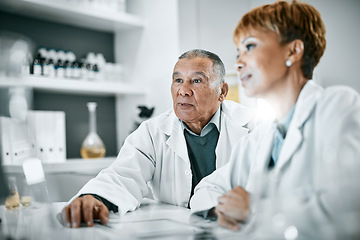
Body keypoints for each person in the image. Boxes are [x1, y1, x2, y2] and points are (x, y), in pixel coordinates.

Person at [190, 1, 360, 238]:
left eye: (250, 46)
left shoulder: (337, 106)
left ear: (292, 51)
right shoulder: (263, 135)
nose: (238, 63)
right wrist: (225, 209)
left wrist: (256, 209)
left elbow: (348, 213)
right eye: (238, 53)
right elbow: (206, 189)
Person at [62, 49, 254, 228]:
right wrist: (95, 197)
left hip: (235, 229)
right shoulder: (152, 132)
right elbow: (123, 175)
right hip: (176, 230)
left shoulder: (252, 127)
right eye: (178, 80)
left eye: (196, 81)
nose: (183, 90)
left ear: (222, 91)